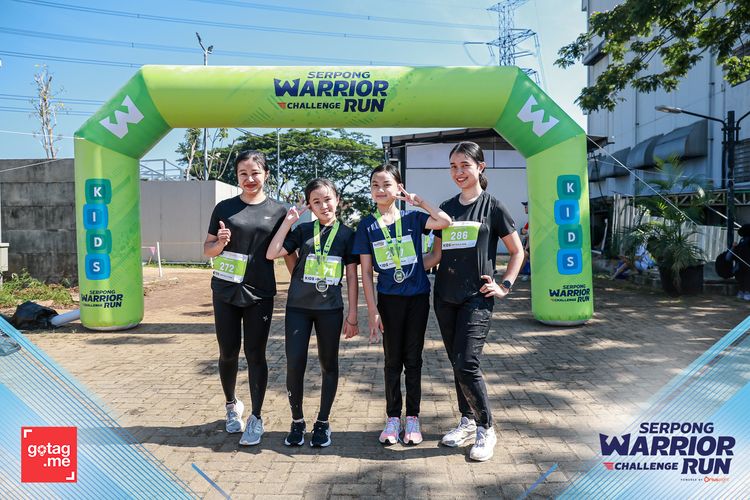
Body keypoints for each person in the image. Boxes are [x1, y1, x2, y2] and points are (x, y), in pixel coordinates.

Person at [428, 141, 524, 462]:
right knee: (457, 362)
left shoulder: (493, 207)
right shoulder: (446, 208)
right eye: (453, 166)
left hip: (477, 298)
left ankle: (486, 427)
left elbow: (517, 252)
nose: (458, 172)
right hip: (444, 297)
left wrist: (505, 285)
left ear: (480, 167)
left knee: (467, 363)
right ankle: (467, 421)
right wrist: (399, 266)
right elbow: (435, 256)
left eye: (464, 166)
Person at [353, 163, 451, 445]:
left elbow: (444, 222)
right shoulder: (366, 225)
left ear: (398, 187)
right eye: (375, 185)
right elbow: (366, 273)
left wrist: (418, 201)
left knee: (414, 359)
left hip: (417, 298)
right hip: (388, 300)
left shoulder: (413, 218)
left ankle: (413, 418)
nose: (380, 190)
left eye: (386, 184)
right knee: (392, 360)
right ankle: (393, 418)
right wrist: (372, 311)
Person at [203, 150, 294, 447]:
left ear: (266, 174)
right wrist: (220, 243)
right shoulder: (224, 208)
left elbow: (287, 252)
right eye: (243, 173)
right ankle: (232, 405)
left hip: (260, 292)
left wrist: (300, 283)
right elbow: (207, 249)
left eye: (255, 173)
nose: (249, 178)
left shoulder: (279, 211)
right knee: (228, 352)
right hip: (225, 290)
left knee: (256, 354)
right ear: (237, 177)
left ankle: (256, 417)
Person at [266, 178, 360, 447]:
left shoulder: (347, 235)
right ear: (309, 205)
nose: (323, 205)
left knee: (329, 364)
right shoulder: (303, 230)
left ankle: (322, 422)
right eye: (316, 202)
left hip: (330, 310)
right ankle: (297, 421)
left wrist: (353, 315)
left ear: (337, 200)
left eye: (328, 199)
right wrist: (288, 222)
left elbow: (351, 277)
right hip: (298, 308)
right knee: (295, 363)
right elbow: (273, 253)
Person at [733, 223, 750, 301]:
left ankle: (743, 292)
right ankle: (745, 293)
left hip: (742, 262)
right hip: (745, 262)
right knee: (745, 277)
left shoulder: (743, 240)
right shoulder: (745, 240)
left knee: (743, 277)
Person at [519, 201, 531, 280]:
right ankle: (524, 273)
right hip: (528, 244)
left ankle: (517, 273)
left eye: (526, 207)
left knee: (525, 254)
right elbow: (523, 231)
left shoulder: (534, 219)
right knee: (524, 254)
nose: (525, 208)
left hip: (533, 244)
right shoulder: (529, 220)